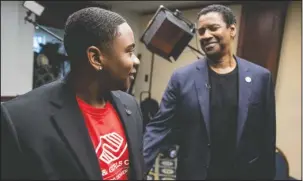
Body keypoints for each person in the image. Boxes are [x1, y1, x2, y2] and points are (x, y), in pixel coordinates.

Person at [1, 7, 144, 180]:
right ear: (96, 58)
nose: (136, 60)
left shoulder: (130, 106)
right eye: (129, 51)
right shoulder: (20, 120)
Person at [143, 4, 276, 180]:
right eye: (201, 31)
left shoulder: (261, 77)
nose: (206, 35)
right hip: (195, 174)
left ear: (232, 30)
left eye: (213, 28)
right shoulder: (182, 78)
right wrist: (136, 170)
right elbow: (158, 128)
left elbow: (267, 137)